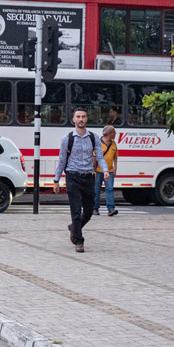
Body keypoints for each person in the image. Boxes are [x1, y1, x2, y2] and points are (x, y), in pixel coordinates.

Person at [54, 107, 109, 253]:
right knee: (76, 210)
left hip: (88, 177)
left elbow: (100, 156)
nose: (81, 119)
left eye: (83, 117)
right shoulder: (67, 139)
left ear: (86, 119)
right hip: (72, 176)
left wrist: (105, 170)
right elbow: (61, 160)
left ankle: (74, 227)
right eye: (78, 117)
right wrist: (56, 179)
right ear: (73, 120)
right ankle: (79, 240)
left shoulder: (93, 137)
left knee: (89, 210)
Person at [94, 125, 119, 216]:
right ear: (109, 134)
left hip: (110, 171)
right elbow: (95, 158)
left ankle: (111, 209)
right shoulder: (98, 143)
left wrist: (115, 168)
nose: (115, 134)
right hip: (98, 171)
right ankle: (95, 208)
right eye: (114, 133)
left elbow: (115, 156)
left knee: (110, 189)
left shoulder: (114, 144)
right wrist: (94, 171)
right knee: (96, 190)